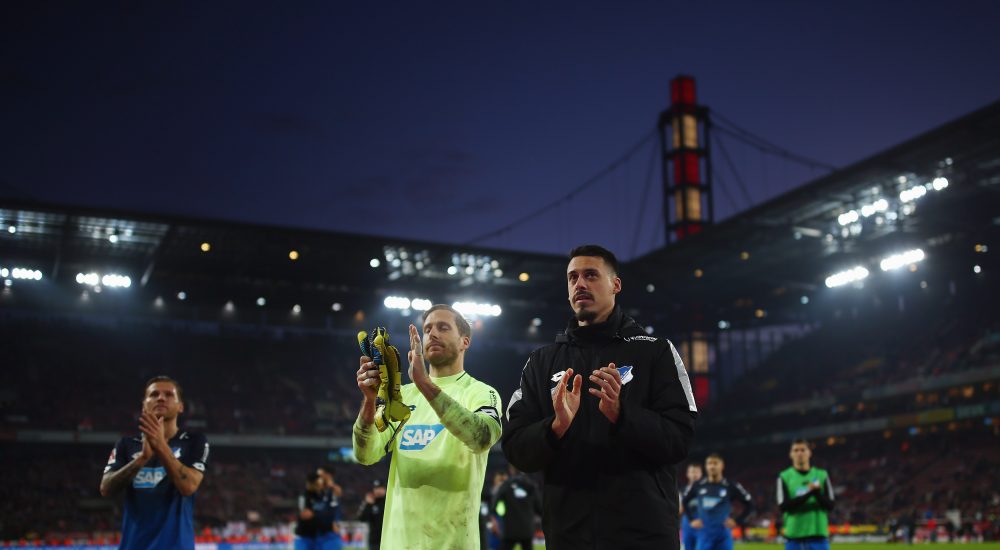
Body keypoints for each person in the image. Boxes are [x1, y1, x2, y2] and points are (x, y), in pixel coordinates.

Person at [502, 244, 698, 549]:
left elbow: (680, 438)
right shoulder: (541, 362)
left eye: (591, 275)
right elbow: (515, 448)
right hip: (569, 538)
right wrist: (555, 427)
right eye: (573, 278)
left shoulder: (656, 351)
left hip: (644, 538)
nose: (580, 283)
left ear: (615, 285)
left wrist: (623, 415)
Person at [352, 304, 503, 549]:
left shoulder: (482, 393)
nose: (433, 334)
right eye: (427, 329)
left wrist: (424, 384)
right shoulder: (401, 397)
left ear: (465, 341)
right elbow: (365, 454)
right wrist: (370, 402)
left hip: (453, 543)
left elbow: (482, 437)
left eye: (443, 327)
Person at [100, 376, 209, 549]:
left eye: (168, 394)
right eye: (154, 394)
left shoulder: (194, 442)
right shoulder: (126, 445)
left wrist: (160, 446)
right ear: (144, 405)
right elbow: (106, 488)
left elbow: (188, 486)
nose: (160, 398)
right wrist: (141, 459)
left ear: (181, 406)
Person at [683, 453, 754, 550]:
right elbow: (685, 501)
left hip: (723, 536)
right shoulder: (698, 485)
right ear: (706, 466)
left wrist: (737, 521)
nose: (712, 466)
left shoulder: (731, 485)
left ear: (722, 466)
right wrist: (691, 520)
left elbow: (750, 504)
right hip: (704, 536)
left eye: (715, 463)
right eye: (709, 463)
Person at [777, 439, 834, 550]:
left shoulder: (822, 475)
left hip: (818, 536)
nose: (799, 453)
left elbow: (830, 505)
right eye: (796, 450)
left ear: (809, 453)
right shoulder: (784, 476)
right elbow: (783, 506)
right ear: (791, 454)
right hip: (794, 537)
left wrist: (817, 494)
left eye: (803, 450)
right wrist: (810, 493)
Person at [492, 466, 541, 550]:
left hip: (510, 529)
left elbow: (495, 505)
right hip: (527, 529)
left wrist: (495, 518)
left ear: (511, 470)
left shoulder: (505, 485)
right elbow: (539, 508)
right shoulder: (530, 485)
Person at [295, 472, 342, 550]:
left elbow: (336, 494)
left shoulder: (323, 495)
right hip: (305, 536)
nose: (320, 484)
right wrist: (329, 523)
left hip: (318, 536)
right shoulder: (304, 496)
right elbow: (306, 515)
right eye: (318, 482)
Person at [680, 461, 705, 550]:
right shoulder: (682, 491)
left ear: (701, 474)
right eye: (692, 472)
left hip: (703, 523)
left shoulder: (707, 489)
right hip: (687, 524)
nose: (694, 474)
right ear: (687, 474)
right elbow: (679, 510)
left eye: (697, 472)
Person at [356, 480, 386, 550]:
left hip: (388, 539)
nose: (378, 490)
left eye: (380, 488)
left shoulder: (389, 501)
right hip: (374, 541)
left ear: (384, 489)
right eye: (376, 488)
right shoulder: (370, 502)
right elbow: (361, 519)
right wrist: (368, 504)